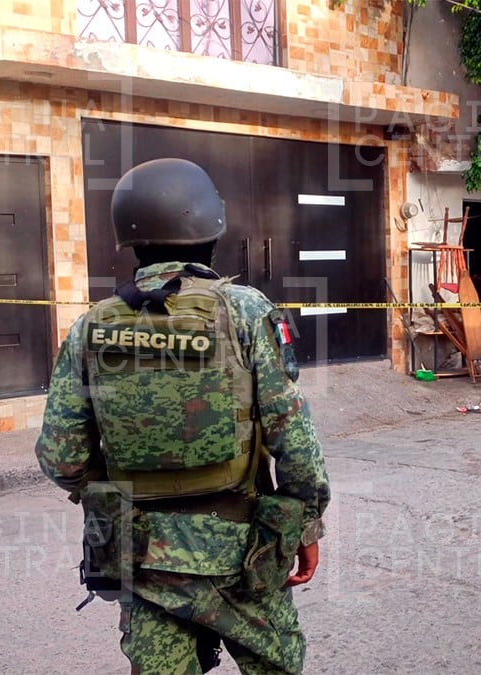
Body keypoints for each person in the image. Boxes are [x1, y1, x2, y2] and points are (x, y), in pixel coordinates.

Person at [34, 157, 331, 674]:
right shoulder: (245, 311)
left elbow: (61, 457)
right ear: (211, 230)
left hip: (142, 555)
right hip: (241, 555)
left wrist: (116, 493)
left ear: (129, 239)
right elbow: (294, 440)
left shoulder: (91, 326)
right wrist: (306, 528)